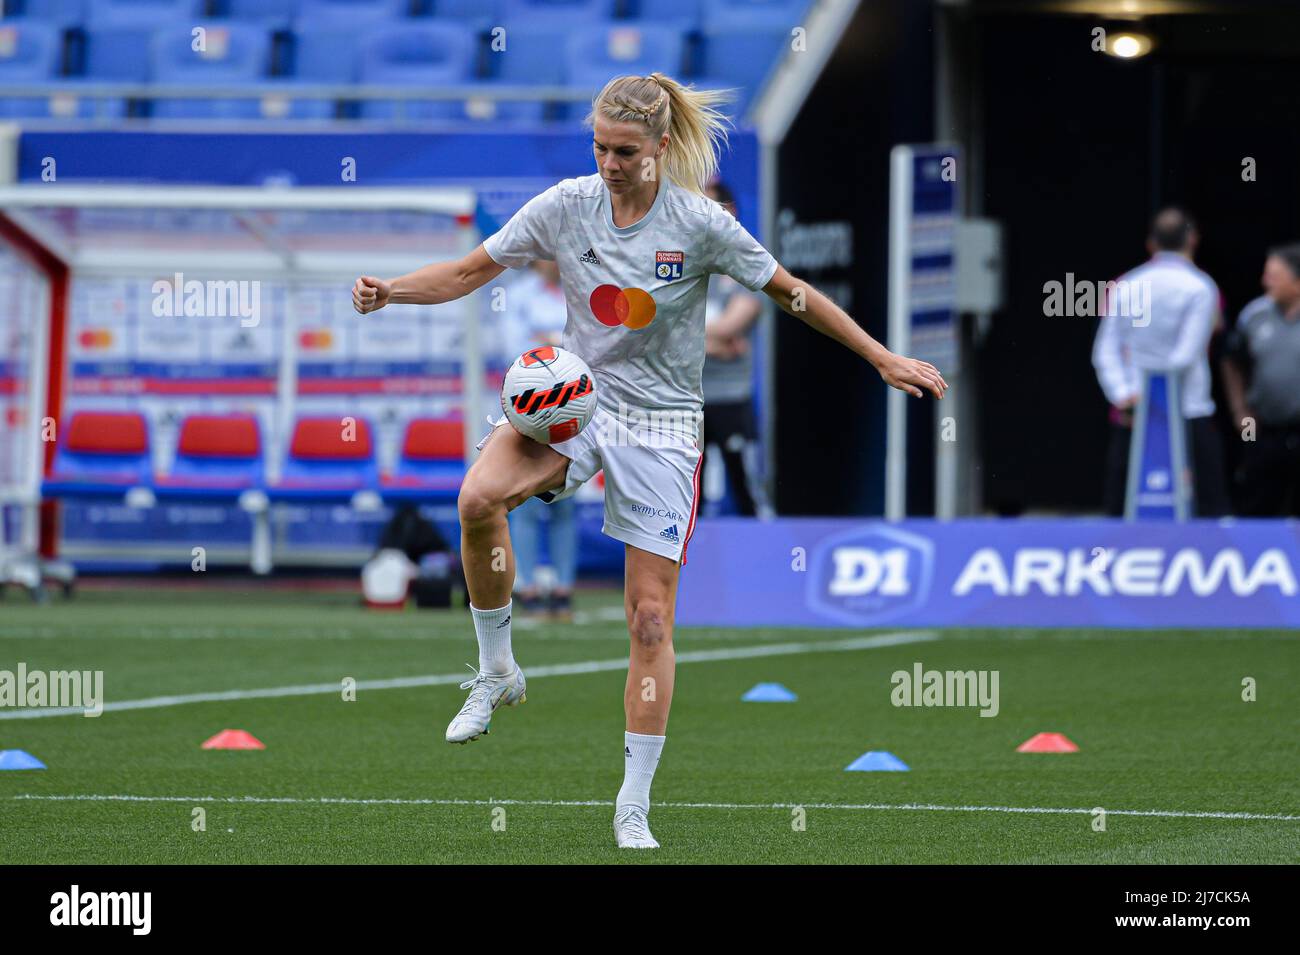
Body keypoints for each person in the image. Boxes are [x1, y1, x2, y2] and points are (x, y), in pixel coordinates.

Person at [352, 71, 946, 850]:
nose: (608, 162)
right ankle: (496, 669)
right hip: (577, 396)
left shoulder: (698, 223)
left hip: (663, 423)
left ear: (661, 147)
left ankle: (632, 803)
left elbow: (791, 292)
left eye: (624, 150)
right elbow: (468, 272)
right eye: (598, 147)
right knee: (476, 499)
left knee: (649, 616)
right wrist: (391, 290)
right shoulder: (567, 205)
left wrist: (878, 356)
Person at [1091, 207, 1229, 516]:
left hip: (1135, 411)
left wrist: (1126, 395)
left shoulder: (1126, 284)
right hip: (1186, 409)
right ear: (1192, 240)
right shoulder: (1201, 286)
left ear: (1151, 243)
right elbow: (1189, 352)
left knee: (1119, 511)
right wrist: (1144, 396)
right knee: (1209, 511)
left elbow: (1105, 351)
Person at [502, 260, 579, 619]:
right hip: (529, 407)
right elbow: (513, 350)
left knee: (566, 498)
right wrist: (558, 346)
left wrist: (550, 341)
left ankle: (563, 587)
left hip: (576, 408)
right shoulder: (519, 296)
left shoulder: (582, 288)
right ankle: (526, 586)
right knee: (526, 499)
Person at [701, 179, 773, 518]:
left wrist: (692, 338)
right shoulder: (682, 266)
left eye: (710, 206)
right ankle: (688, 568)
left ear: (730, 212)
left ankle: (764, 560)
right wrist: (717, 343)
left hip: (731, 398)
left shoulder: (746, 262)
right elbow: (658, 329)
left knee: (746, 488)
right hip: (687, 401)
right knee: (687, 498)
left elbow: (734, 324)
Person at [1221, 244, 1300, 515]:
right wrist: (1240, 410)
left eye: (1274, 277)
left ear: (1297, 282)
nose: (1265, 282)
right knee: (1255, 498)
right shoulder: (1254, 315)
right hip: (1261, 428)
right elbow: (1231, 361)